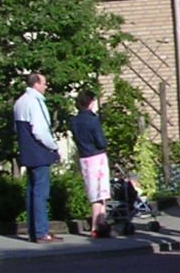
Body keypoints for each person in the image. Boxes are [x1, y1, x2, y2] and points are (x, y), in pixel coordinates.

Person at [14, 72, 63, 243]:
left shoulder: (20, 102)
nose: (46, 86)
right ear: (36, 84)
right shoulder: (35, 102)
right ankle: (42, 232)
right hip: (39, 152)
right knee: (41, 193)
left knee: (31, 191)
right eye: (44, 83)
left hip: (27, 152)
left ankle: (33, 231)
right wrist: (53, 146)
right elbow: (40, 130)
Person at [70, 88, 112, 238]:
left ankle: (102, 222)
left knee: (96, 192)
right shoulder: (93, 120)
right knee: (99, 194)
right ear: (91, 102)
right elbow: (101, 142)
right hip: (97, 157)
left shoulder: (74, 121)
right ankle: (96, 226)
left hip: (84, 158)